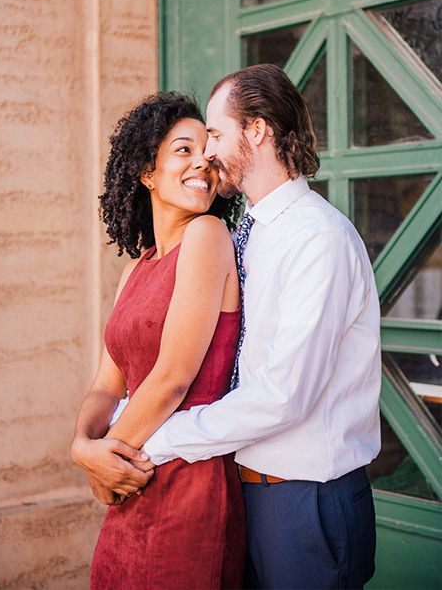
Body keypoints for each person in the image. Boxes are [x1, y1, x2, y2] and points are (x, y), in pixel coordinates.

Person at [100, 64, 381, 589]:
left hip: (305, 499)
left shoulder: (318, 239)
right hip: (241, 486)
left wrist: (155, 441)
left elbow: (283, 397)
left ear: (257, 131)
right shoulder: (246, 232)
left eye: (215, 134)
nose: (206, 152)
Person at [71, 92, 246, 589]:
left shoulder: (208, 235)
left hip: (189, 480)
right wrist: (85, 446)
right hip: (134, 477)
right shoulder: (137, 267)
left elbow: (171, 379)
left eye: (208, 155)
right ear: (147, 171)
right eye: (183, 151)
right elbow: (107, 384)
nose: (202, 165)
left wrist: (109, 457)